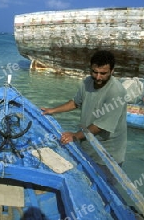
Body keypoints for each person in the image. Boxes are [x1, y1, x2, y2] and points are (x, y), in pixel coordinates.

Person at [41, 50, 127, 184]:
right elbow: (75, 102)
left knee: (104, 193)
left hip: (107, 156)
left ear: (112, 71)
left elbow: (100, 126)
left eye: (103, 73)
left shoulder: (117, 92)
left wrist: (75, 136)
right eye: (94, 72)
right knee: (85, 182)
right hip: (87, 147)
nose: (98, 77)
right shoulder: (87, 82)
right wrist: (52, 110)